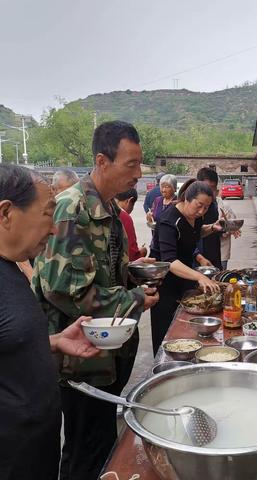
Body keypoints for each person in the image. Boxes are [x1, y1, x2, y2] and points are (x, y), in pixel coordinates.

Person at [32, 121, 159, 480]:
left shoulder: (109, 211)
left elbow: (96, 272)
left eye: (140, 164)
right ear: (102, 161)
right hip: (81, 362)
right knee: (85, 452)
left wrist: (133, 271)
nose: (138, 173)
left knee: (99, 443)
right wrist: (135, 297)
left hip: (107, 356)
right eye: (131, 164)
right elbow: (67, 290)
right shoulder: (73, 210)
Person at [0, 164, 99, 480]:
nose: (55, 228)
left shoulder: (12, 266)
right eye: (47, 214)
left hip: (35, 452)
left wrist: (53, 342)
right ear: (6, 214)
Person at [149, 180, 222, 354]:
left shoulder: (195, 217)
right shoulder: (168, 220)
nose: (202, 211)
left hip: (183, 279)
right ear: (187, 198)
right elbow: (170, 262)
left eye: (206, 207)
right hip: (164, 284)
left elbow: (192, 234)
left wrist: (212, 228)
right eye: (199, 205)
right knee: (165, 334)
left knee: (187, 329)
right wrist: (200, 276)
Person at [195, 167, 222, 269]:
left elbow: (215, 230)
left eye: (212, 188)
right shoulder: (189, 206)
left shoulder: (213, 205)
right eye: (206, 188)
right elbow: (188, 235)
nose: (209, 192)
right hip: (195, 258)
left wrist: (225, 227)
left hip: (212, 254)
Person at [116, 188, 147, 261]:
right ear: (129, 201)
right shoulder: (124, 217)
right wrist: (141, 252)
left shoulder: (106, 208)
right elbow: (131, 253)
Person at [217, 196, 240, 270]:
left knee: (221, 276)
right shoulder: (201, 206)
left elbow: (233, 224)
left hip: (222, 249)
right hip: (203, 252)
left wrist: (231, 229)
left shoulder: (224, 206)